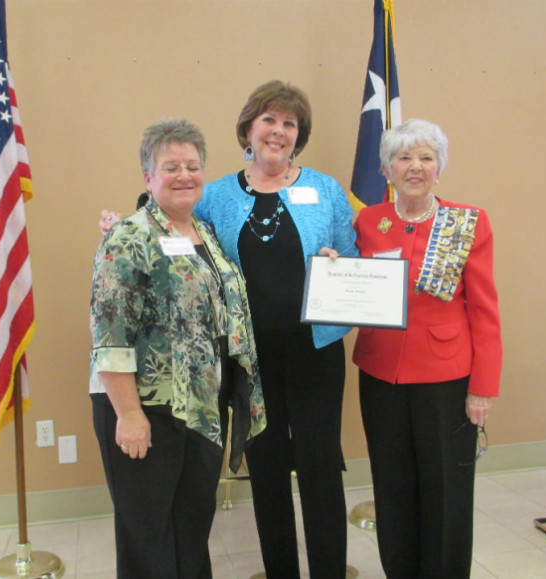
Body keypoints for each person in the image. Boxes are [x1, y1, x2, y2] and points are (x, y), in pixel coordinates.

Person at [100, 80, 358, 579]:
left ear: (298, 134)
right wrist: (119, 225)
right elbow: (167, 224)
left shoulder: (325, 189)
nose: (278, 132)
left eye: (289, 123)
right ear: (249, 128)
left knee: (322, 470)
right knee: (265, 473)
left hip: (315, 357)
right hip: (247, 364)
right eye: (269, 120)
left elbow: (353, 255)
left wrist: (339, 262)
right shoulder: (216, 194)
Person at [90, 118, 266, 579]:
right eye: (171, 166)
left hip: (202, 408)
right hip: (147, 408)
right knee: (149, 537)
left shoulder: (203, 234)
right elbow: (109, 338)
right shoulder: (128, 238)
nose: (184, 174)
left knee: (191, 530)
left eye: (192, 165)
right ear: (148, 177)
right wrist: (129, 415)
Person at [352, 118, 502, 579]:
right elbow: (354, 282)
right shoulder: (369, 220)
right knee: (392, 487)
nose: (414, 166)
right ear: (386, 169)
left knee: (446, 492)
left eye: (425, 157)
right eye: (403, 157)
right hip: (380, 376)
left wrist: (483, 388)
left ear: (439, 167)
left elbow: (484, 310)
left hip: (446, 379)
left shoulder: (466, 222)